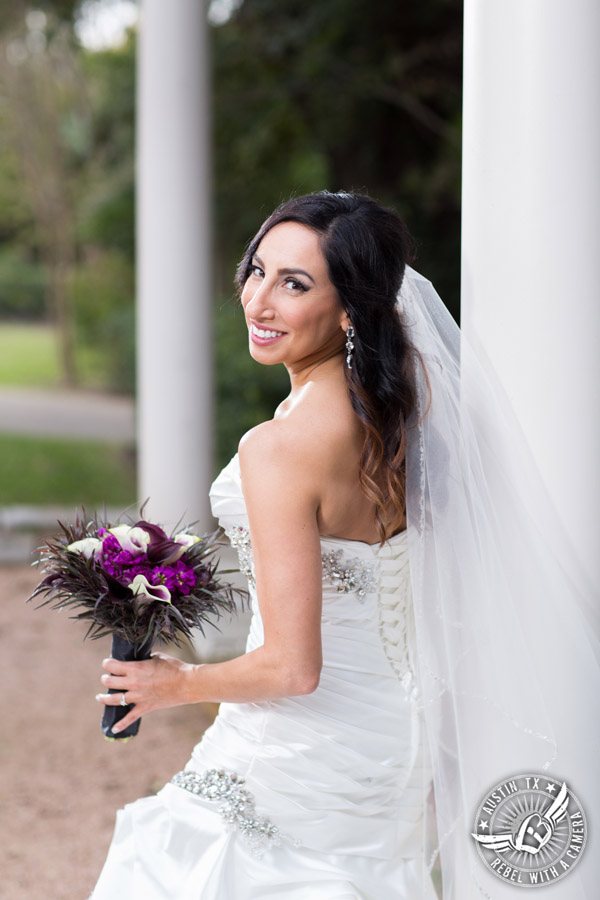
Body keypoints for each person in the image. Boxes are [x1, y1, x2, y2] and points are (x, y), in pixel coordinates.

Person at [91, 192, 598, 899]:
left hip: (302, 744)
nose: (259, 301)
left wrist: (178, 684)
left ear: (350, 309)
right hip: (389, 739)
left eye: (294, 285)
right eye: (257, 270)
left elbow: (294, 667)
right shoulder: (404, 412)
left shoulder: (280, 448)